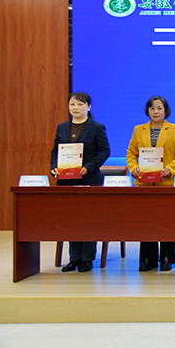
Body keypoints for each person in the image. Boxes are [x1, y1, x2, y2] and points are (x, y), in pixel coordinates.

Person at [50, 92, 110, 273]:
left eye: (80, 104)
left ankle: (87, 259)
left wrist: (89, 167)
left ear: (88, 107)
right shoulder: (62, 127)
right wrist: (54, 167)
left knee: (88, 219)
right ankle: (73, 258)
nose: (75, 108)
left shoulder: (96, 127)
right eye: (72, 104)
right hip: (66, 180)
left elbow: (105, 151)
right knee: (71, 219)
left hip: (88, 179)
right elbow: (55, 151)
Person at [126, 96, 175, 272]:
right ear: (147, 111)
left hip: (166, 183)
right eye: (152, 108)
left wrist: (171, 169)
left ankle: (167, 258)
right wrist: (134, 167)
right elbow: (131, 153)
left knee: (167, 222)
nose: (156, 112)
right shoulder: (139, 129)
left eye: (160, 108)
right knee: (147, 222)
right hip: (145, 184)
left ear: (165, 111)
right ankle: (147, 259)